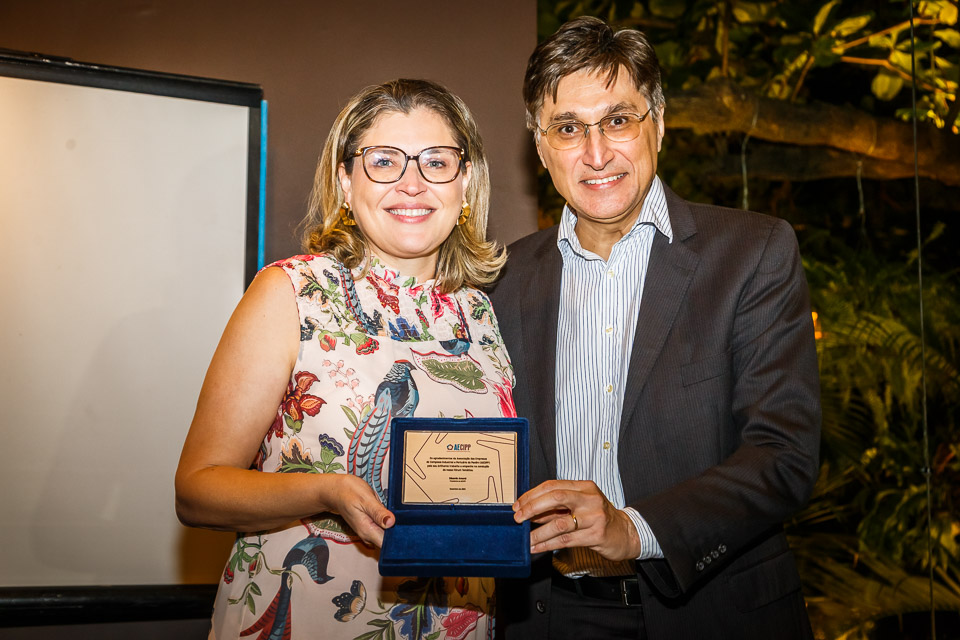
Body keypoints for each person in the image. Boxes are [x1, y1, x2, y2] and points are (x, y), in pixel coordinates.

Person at [491, 16, 821, 639]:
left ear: (659, 124)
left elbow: (784, 455)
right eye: (568, 128)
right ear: (540, 146)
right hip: (547, 617)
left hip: (713, 614)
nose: (596, 154)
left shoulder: (753, 254)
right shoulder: (499, 282)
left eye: (618, 120)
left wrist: (633, 529)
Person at [175, 78, 514, 640]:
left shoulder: (480, 314)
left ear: (466, 181)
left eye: (436, 161)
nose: (412, 183)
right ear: (345, 181)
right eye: (384, 162)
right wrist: (325, 491)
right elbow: (197, 489)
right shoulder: (291, 293)